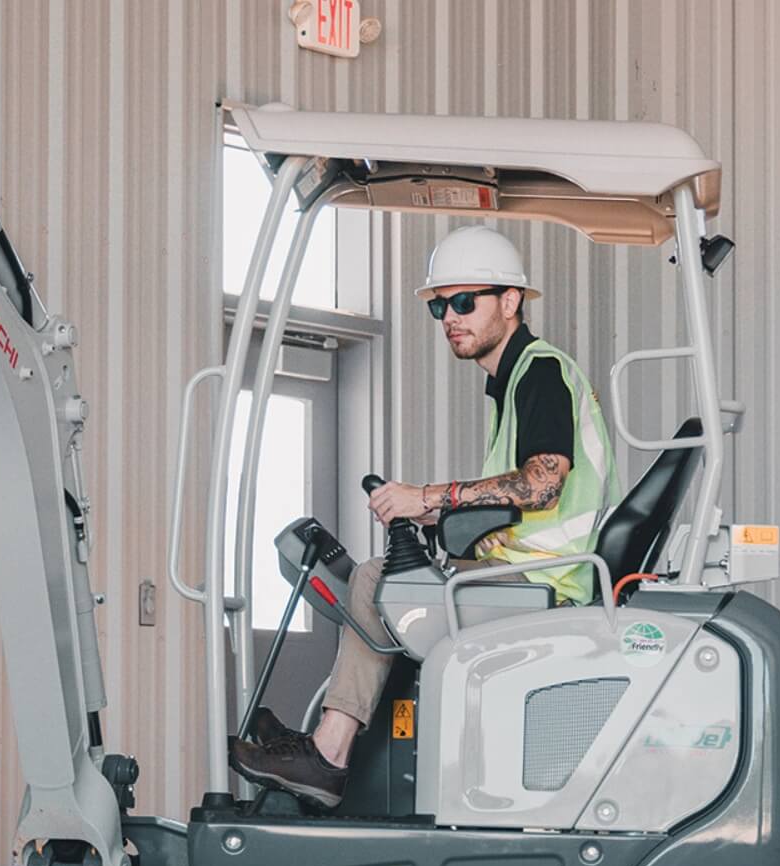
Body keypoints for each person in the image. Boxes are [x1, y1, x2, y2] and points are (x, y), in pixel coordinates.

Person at [228, 225, 616, 808]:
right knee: (374, 581)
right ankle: (327, 749)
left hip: (545, 585)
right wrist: (441, 517)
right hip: (525, 574)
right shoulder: (513, 383)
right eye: (440, 306)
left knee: (378, 583)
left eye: (465, 302)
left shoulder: (539, 372)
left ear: (510, 302)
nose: (449, 318)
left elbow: (542, 484)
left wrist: (429, 499)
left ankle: (329, 755)